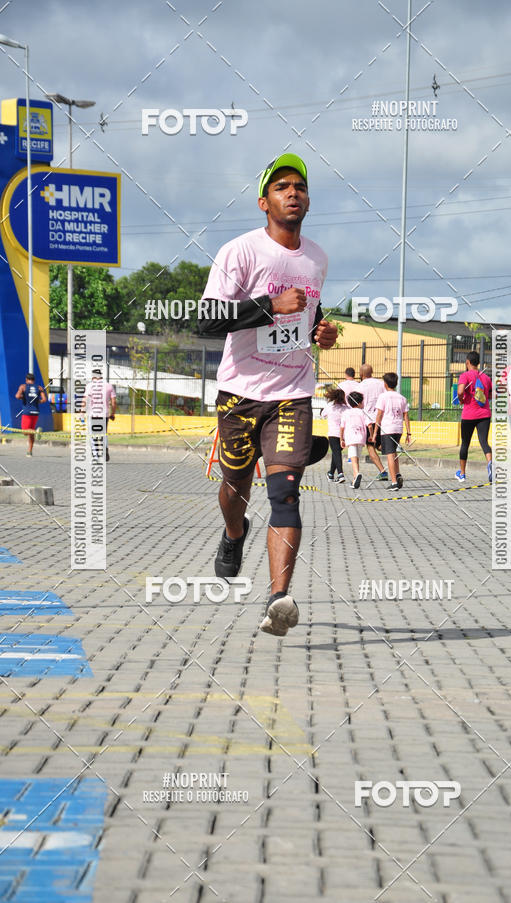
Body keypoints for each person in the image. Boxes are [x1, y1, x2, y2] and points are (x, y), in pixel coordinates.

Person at [197, 152, 337, 636]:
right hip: (240, 391)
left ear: (308, 199)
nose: (292, 192)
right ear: (264, 202)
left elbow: (308, 315)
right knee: (236, 489)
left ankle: (279, 599)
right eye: (281, 187)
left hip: (292, 394)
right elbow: (209, 321)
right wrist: (267, 305)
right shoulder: (239, 252)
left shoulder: (317, 257)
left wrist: (321, 331)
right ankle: (235, 532)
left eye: (299, 186)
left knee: (285, 494)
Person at [455, 351, 493, 482]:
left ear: (467, 362)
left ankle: (463, 473)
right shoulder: (486, 378)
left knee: (465, 443)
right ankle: (490, 463)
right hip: (484, 414)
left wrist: (461, 399)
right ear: (478, 363)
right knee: (484, 442)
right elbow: (493, 395)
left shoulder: (465, 375)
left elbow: (460, 391)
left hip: (469, 414)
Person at [374, 372, 411, 491]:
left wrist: (375, 432)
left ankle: (394, 482)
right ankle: (398, 473)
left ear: (385, 384)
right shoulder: (402, 398)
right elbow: (406, 416)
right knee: (394, 453)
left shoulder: (383, 397)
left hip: (387, 428)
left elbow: (379, 414)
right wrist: (408, 433)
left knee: (390, 454)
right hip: (398, 429)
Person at [357, 363, 387, 480]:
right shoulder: (381, 384)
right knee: (380, 445)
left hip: (368, 420)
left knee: (370, 447)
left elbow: (357, 403)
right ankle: (393, 458)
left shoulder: (360, 386)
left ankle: (383, 471)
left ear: (361, 374)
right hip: (381, 419)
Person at [83, 378, 117, 461]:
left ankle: (95, 455)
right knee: (103, 433)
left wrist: (82, 411)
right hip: (104, 414)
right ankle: (105, 449)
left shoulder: (90, 386)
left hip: (92, 414)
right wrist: (113, 413)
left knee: (92, 435)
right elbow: (113, 402)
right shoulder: (109, 386)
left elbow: (85, 400)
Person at [340, 392, 368, 489]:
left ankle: (356, 474)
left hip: (350, 437)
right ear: (359, 403)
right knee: (356, 459)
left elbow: (342, 427)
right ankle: (354, 479)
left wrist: (341, 439)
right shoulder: (363, 412)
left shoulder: (346, 413)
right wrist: (371, 435)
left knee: (353, 459)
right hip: (361, 437)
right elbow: (369, 425)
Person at [15, 373, 47, 457]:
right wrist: (37, 401)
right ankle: (29, 451)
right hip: (36, 412)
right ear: (34, 380)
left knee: (25, 432)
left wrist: (24, 397)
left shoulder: (23, 386)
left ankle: (36, 432)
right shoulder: (39, 387)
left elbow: (17, 396)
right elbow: (44, 399)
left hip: (27, 412)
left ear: (26, 379)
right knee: (30, 432)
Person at [322, 386, 346, 482]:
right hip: (344, 434)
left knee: (336, 453)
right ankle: (331, 473)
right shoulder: (346, 409)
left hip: (333, 434)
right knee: (336, 453)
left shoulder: (329, 407)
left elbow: (322, 415)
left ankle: (340, 473)